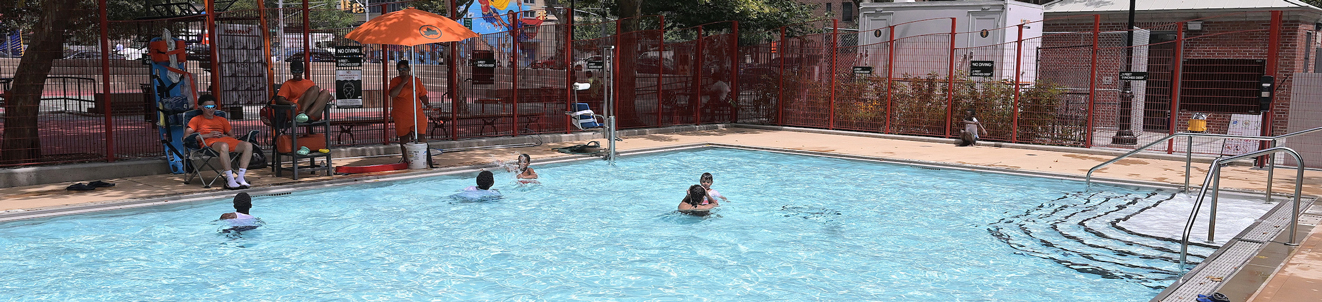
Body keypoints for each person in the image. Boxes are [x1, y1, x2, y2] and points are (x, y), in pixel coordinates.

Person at [186, 95, 255, 189]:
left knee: (248, 145)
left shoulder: (222, 120)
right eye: (207, 107)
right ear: (201, 108)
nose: (211, 110)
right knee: (224, 146)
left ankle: (240, 177)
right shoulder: (196, 120)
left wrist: (223, 136)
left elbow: (232, 136)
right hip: (208, 143)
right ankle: (230, 179)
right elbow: (186, 137)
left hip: (225, 141)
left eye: (213, 106)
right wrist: (208, 135)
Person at [389, 60, 434, 167]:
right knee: (404, 138)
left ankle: (425, 159)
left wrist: (427, 104)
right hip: (401, 115)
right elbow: (393, 94)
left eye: (404, 69)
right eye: (400, 70)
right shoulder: (395, 81)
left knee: (421, 137)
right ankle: (406, 160)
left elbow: (422, 94)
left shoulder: (415, 81)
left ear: (409, 69)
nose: (402, 71)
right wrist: (403, 82)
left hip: (416, 114)